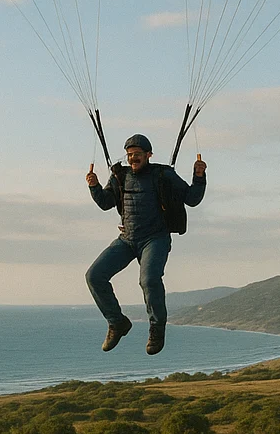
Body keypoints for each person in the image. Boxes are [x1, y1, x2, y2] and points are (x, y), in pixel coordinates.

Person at [85, 135, 207, 355]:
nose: (133, 158)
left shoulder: (164, 175)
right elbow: (105, 203)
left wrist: (199, 176)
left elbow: (192, 198)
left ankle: (157, 328)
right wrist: (94, 187)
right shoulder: (119, 177)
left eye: (137, 154)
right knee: (94, 276)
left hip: (155, 238)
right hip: (128, 239)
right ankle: (117, 322)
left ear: (148, 155)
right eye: (130, 154)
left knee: (149, 280)